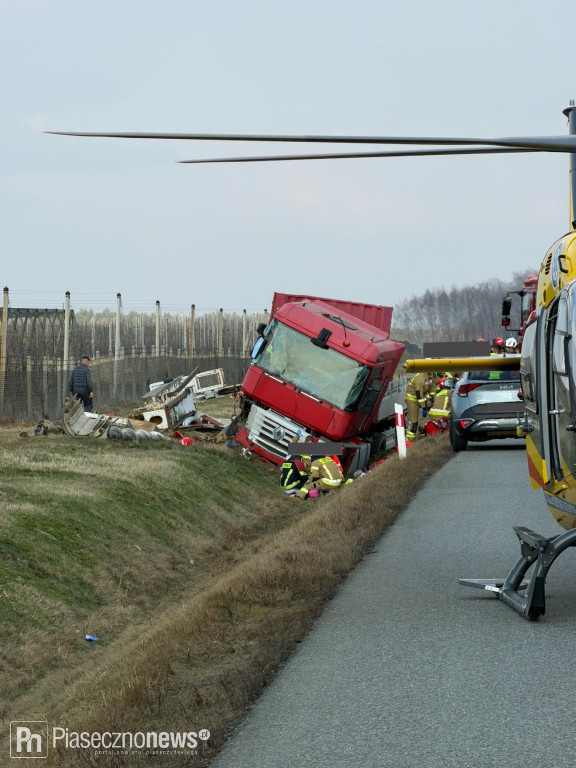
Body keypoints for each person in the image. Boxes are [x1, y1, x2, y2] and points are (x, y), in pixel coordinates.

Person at [405, 371, 434, 441]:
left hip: (421, 398)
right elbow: (419, 395)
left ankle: (424, 432)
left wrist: (431, 399)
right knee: (413, 423)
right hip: (412, 399)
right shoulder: (420, 377)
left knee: (433, 414)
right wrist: (424, 407)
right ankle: (409, 441)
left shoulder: (432, 375)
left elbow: (432, 389)